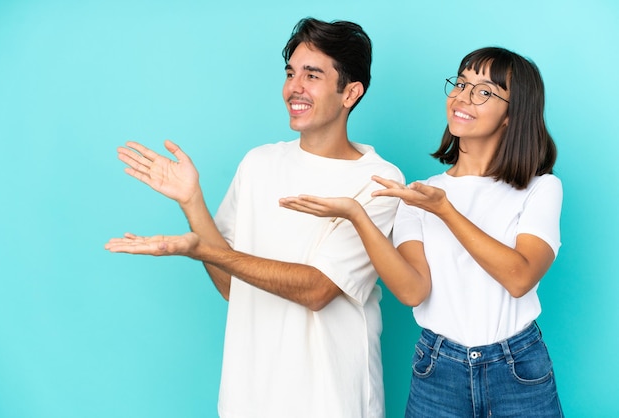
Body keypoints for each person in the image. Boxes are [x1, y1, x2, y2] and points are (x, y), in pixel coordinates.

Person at [105, 17, 404, 418]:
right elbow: (232, 285)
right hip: (248, 399)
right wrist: (193, 203)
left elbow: (318, 290)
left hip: (332, 401)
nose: (294, 87)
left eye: (312, 75)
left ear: (350, 92)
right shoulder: (259, 163)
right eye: (290, 73)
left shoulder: (379, 181)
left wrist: (202, 250)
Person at [280, 46, 564, 417]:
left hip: (517, 368)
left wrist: (444, 209)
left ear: (513, 113)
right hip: (437, 369)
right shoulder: (418, 194)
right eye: (461, 84)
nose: (463, 97)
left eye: (484, 91)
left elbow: (520, 277)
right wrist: (357, 216)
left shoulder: (540, 188)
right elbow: (414, 291)